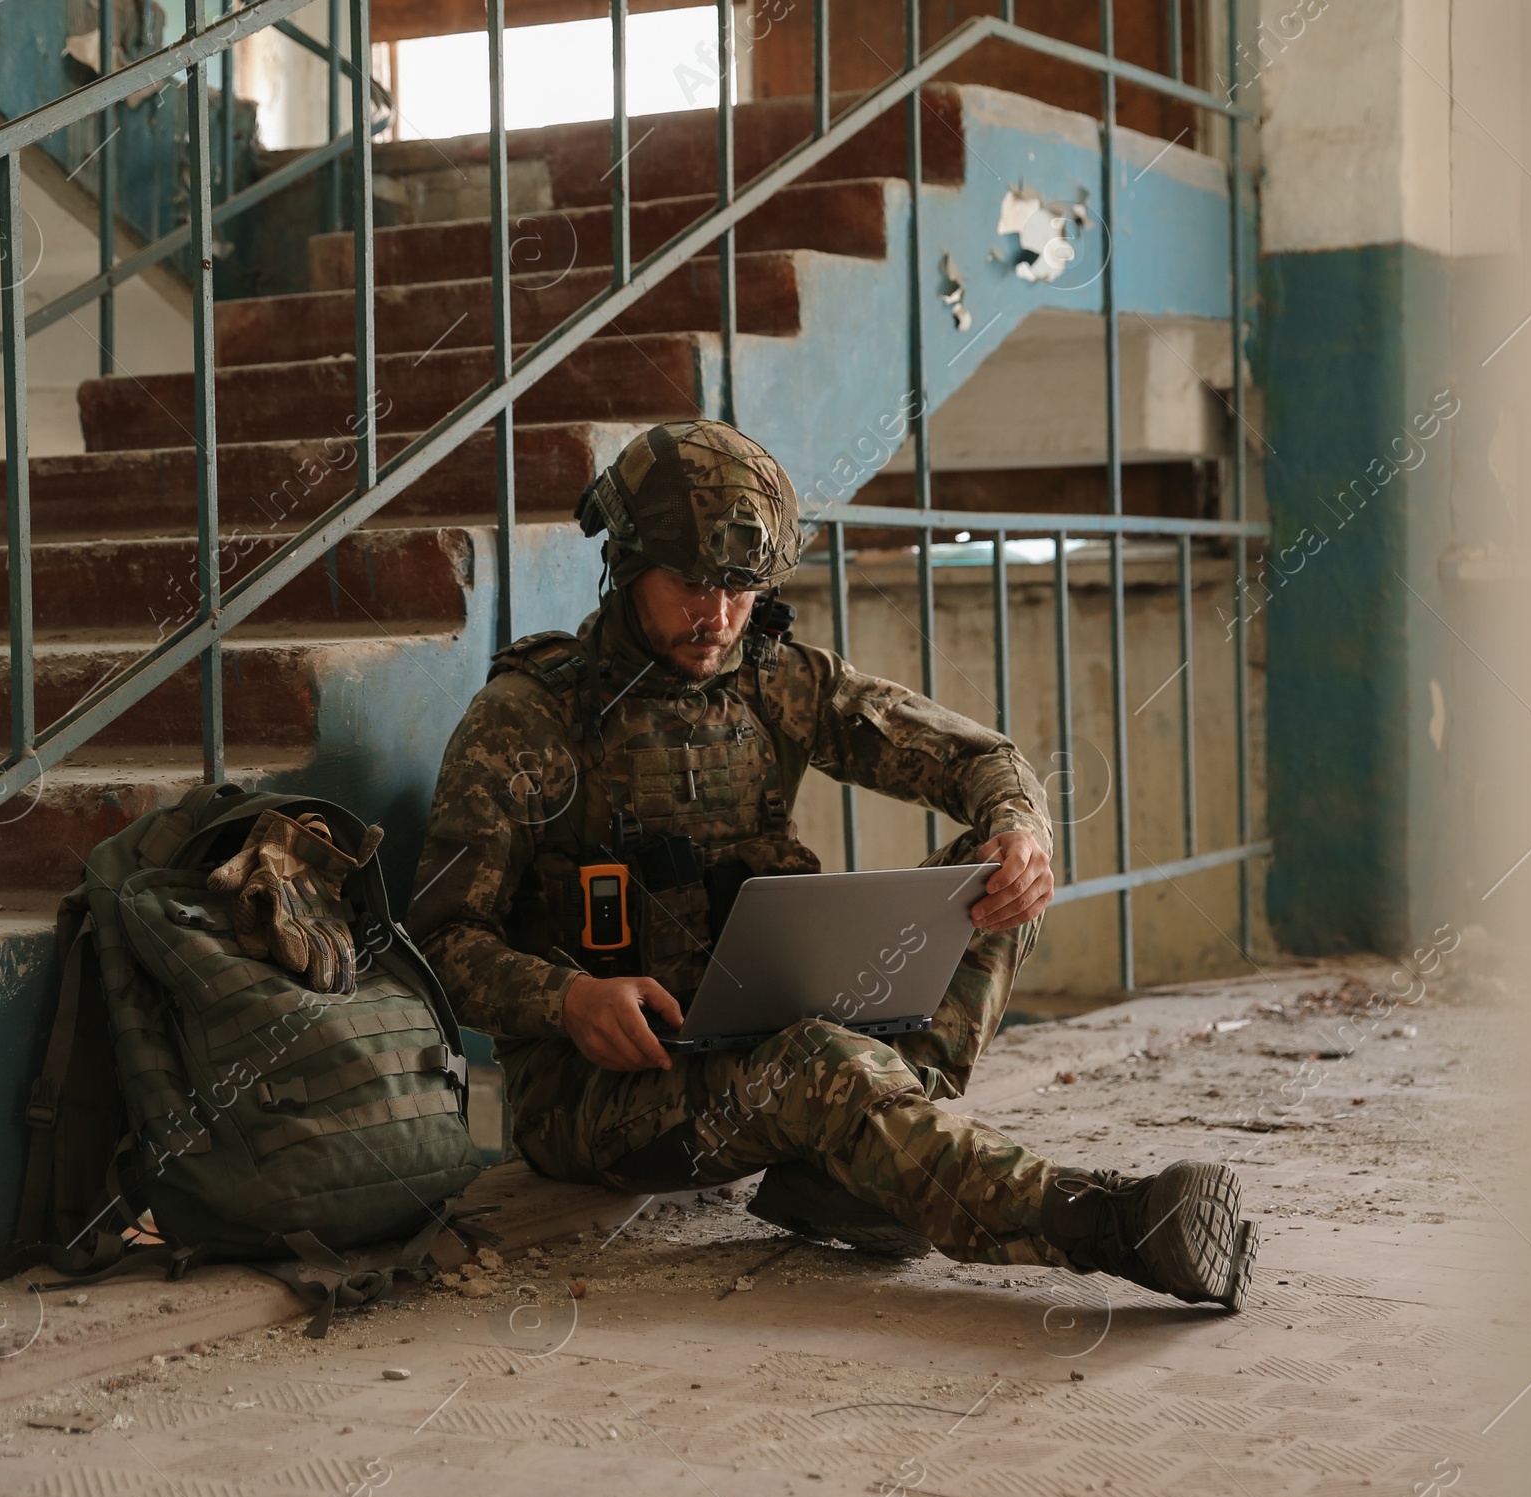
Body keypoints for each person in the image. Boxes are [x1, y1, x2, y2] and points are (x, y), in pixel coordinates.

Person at [407, 419, 1255, 1308]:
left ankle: (847, 1163)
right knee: (821, 1064)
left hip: (768, 1030)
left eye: (742, 588)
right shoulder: (529, 718)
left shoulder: (776, 680)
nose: (720, 616)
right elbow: (440, 938)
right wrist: (568, 999)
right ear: (624, 562)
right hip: (599, 1095)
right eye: (693, 582)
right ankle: (1114, 1224)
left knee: (996, 875)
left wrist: (1020, 828)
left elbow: (980, 760)